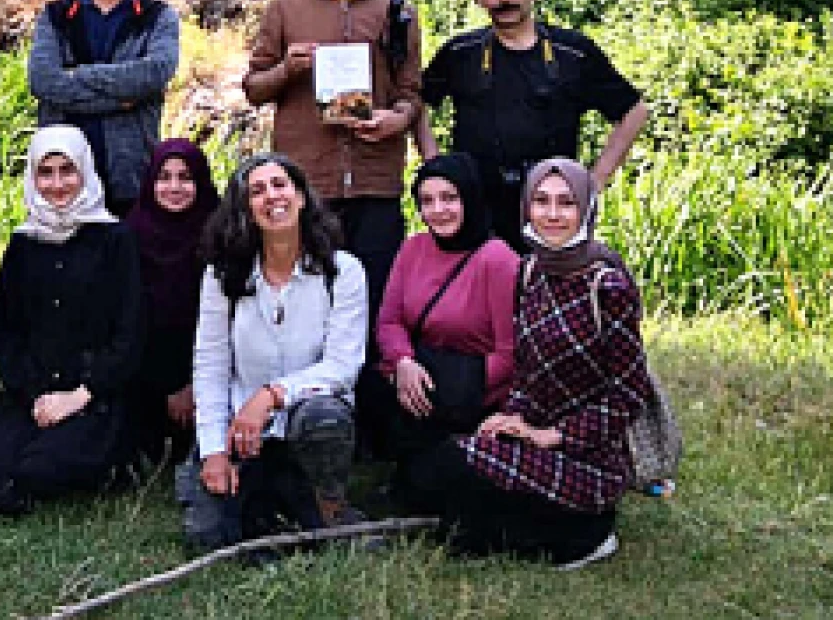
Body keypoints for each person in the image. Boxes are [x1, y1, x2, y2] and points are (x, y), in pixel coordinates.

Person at [408, 158, 654, 570]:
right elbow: (527, 370)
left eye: (566, 203)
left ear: (586, 210)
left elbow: (631, 394)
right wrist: (512, 418)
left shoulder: (607, 285)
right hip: (533, 432)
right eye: (541, 201)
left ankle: (586, 531)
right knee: (428, 472)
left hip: (590, 455)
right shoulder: (532, 273)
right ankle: (524, 527)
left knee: (456, 476)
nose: (552, 215)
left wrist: (550, 436)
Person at [242, 0, 421, 446]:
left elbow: (414, 93)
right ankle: (306, 424)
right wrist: (288, 69)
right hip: (306, 188)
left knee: (372, 305)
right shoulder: (285, 9)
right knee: (307, 305)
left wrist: (396, 119)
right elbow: (252, 87)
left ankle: (370, 431)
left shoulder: (398, 12)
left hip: (374, 181)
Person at [183, 153, 369, 549]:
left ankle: (330, 504)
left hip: (310, 419)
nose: (272, 197)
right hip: (242, 428)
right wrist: (215, 451)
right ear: (245, 209)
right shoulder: (222, 277)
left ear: (301, 197)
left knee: (324, 416)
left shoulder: (343, 271)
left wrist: (271, 395)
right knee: (210, 534)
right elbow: (211, 366)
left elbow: (342, 366)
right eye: (257, 191)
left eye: (280, 185)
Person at [415, 0, 649, 249]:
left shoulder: (573, 53)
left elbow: (634, 111)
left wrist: (593, 182)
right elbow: (415, 102)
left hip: (549, 210)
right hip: (476, 208)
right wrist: (436, 169)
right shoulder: (460, 53)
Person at [0, 125, 145, 515]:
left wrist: (80, 395)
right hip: (35, 392)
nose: (57, 184)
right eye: (46, 172)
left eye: (67, 170)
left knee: (41, 469)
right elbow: (6, 332)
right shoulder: (23, 244)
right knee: (5, 480)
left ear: (85, 172)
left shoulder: (114, 240)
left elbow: (130, 331)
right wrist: (33, 396)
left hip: (96, 394)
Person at [373, 154, 518, 508]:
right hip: (419, 372)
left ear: (469, 198)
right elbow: (389, 320)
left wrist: (455, 387)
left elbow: (510, 352)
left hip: (474, 390)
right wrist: (403, 362)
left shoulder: (497, 259)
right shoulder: (413, 249)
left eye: (449, 198)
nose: (438, 210)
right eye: (427, 201)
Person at [27, 0, 180, 218]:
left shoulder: (156, 16)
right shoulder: (56, 15)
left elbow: (155, 72)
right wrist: (121, 99)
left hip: (130, 179)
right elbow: (43, 81)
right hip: (62, 181)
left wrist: (80, 75)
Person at [123, 138, 219, 465]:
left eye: (186, 177)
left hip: (210, 374)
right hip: (146, 374)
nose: (174, 187)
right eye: (164, 177)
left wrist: (192, 384)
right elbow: (129, 321)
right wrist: (169, 386)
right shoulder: (130, 237)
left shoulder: (221, 236)